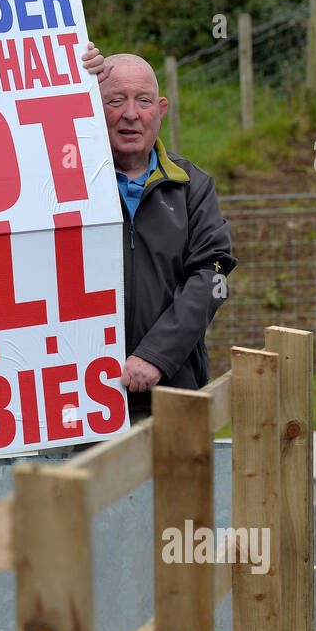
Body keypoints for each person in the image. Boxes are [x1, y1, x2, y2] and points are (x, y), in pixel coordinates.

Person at [82, 45, 237, 421]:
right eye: (115, 101)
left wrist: (155, 356)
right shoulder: (63, 184)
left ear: (161, 109)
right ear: (90, 107)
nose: (131, 114)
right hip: (80, 400)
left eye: (143, 101)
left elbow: (211, 278)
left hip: (173, 391)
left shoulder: (193, 187)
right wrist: (63, 72)